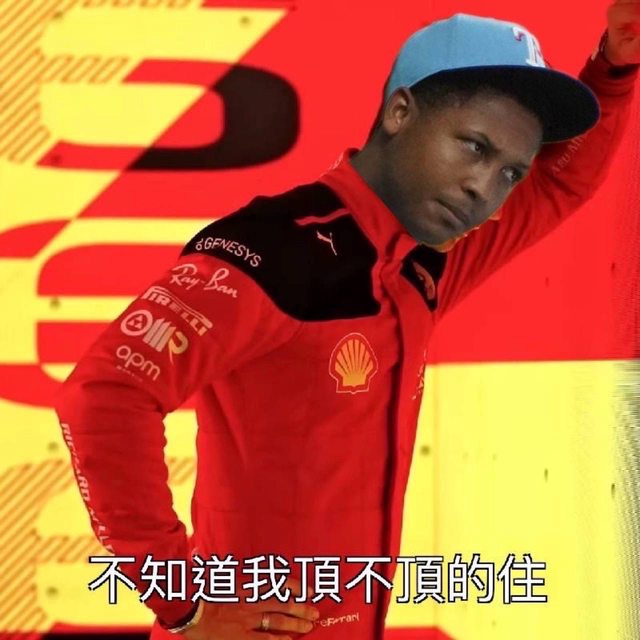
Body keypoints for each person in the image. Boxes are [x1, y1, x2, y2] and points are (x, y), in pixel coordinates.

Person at [55, 7, 639, 640]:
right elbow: (104, 394)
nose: (485, 190)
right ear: (400, 112)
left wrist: (614, 68)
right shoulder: (271, 249)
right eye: (474, 146)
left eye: (509, 173)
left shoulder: (425, 261)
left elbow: (556, 186)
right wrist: (181, 603)